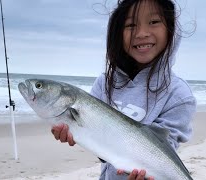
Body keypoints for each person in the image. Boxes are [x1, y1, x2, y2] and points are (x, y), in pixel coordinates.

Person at [51, 0, 197, 179]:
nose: (142, 33)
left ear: (171, 29)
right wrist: (77, 133)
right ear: (117, 33)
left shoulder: (179, 94)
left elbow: (164, 151)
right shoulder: (104, 83)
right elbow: (103, 149)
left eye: (154, 22)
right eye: (131, 25)